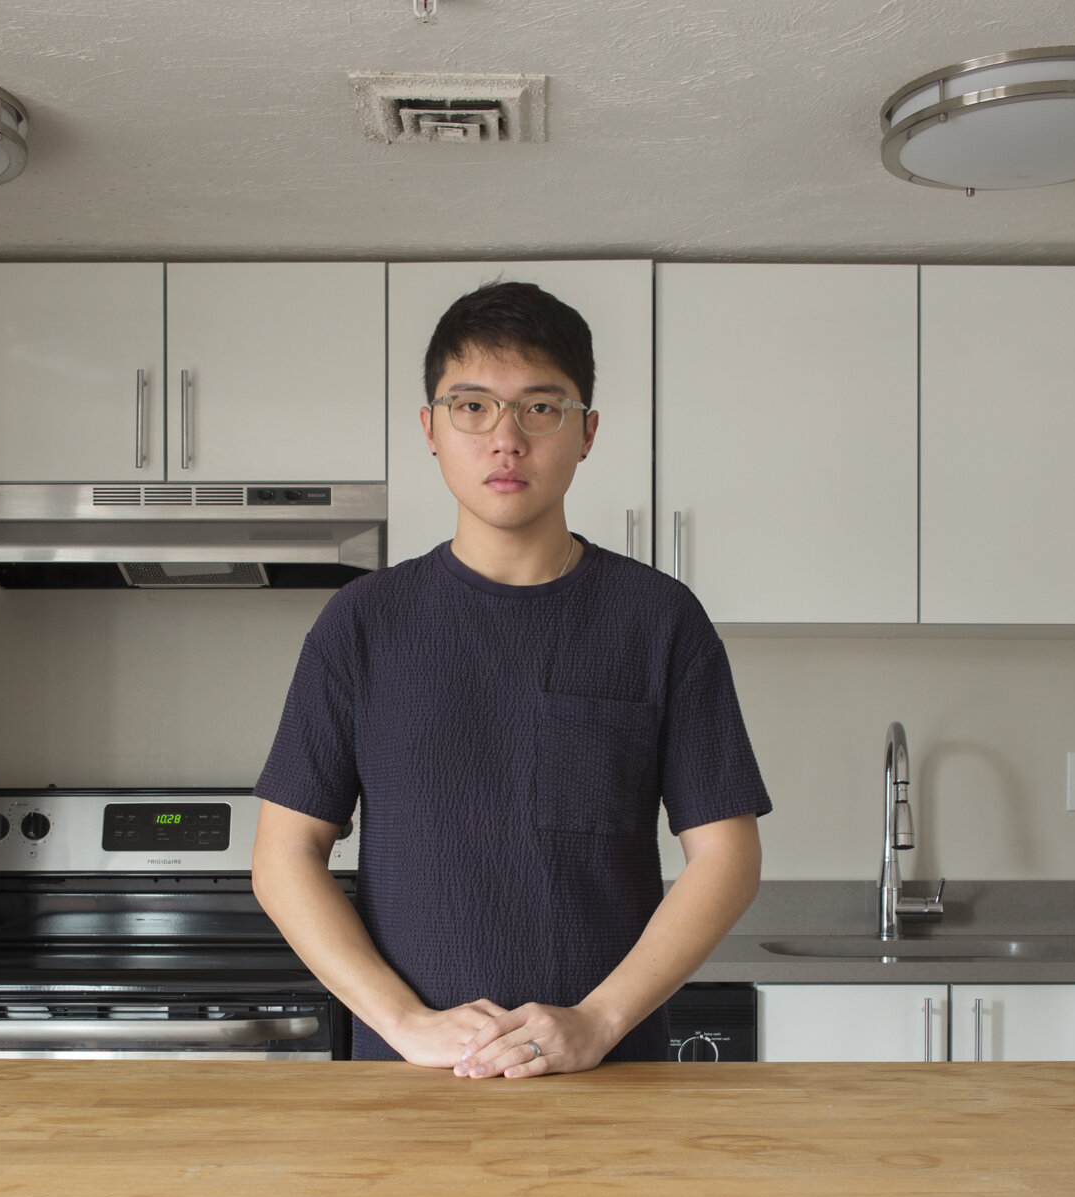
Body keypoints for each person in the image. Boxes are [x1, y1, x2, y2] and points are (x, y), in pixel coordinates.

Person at [251, 280, 770, 1077]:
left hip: (611, 1079)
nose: (506, 439)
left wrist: (597, 1021)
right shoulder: (361, 625)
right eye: (472, 407)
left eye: (540, 407)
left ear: (588, 431)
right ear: (429, 427)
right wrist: (408, 1024)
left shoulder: (660, 621)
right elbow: (284, 855)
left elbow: (727, 855)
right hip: (407, 1086)